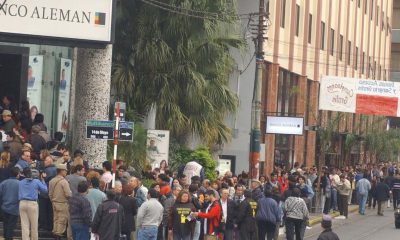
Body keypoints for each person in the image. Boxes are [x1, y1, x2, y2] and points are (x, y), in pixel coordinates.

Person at [18, 167, 48, 240]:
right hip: (32, 203)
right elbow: (45, 190)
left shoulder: (20, 182)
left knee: (24, 225)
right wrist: (43, 180)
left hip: (22, 203)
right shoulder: (36, 181)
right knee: (34, 225)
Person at [49, 164, 72, 239]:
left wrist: (52, 200)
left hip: (54, 202)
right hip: (63, 203)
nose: (66, 172)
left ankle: (54, 232)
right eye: (65, 171)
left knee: (55, 219)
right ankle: (58, 235)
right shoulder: (64, 182)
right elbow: (68, 194)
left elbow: (50, 193)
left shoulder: (51, 180)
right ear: (61, 171)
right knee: (62, 220)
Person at [0, 167, 20, 240]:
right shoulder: (20, 184)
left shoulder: (4, 182)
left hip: (4, 207)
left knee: (5, 224)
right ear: (17, 174)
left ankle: (5, 237)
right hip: (14, 208)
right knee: (11, 226)